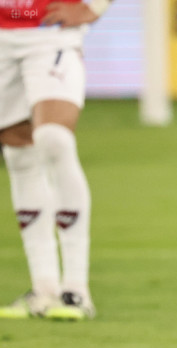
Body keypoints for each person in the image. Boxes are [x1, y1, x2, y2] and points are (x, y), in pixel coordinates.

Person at [0, 0, 111, 320]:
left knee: (53, 138)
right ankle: (44, 289)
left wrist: (95, 8)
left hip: (50, 32)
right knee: (18, 152)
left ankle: (76, 290)